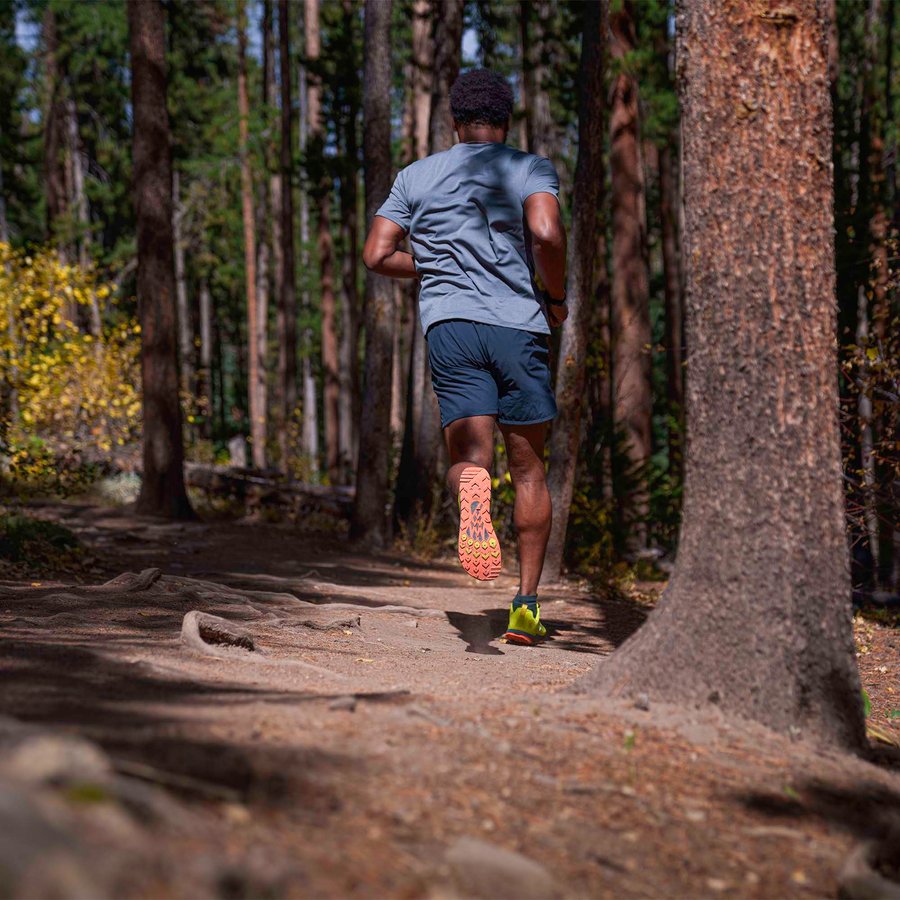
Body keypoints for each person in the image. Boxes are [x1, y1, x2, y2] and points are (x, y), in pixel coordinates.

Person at [362, 69, 567, 646]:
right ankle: (525, 608)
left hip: (451, 326)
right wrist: (555, 298)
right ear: (506, 121)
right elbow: (547, 234)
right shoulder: (528, 167)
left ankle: (472, 494)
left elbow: (377, 254)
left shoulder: (416, 175)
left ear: (455, 121)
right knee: (528, 469)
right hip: (518, 327)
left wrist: (434, 268)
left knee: (470, 459)